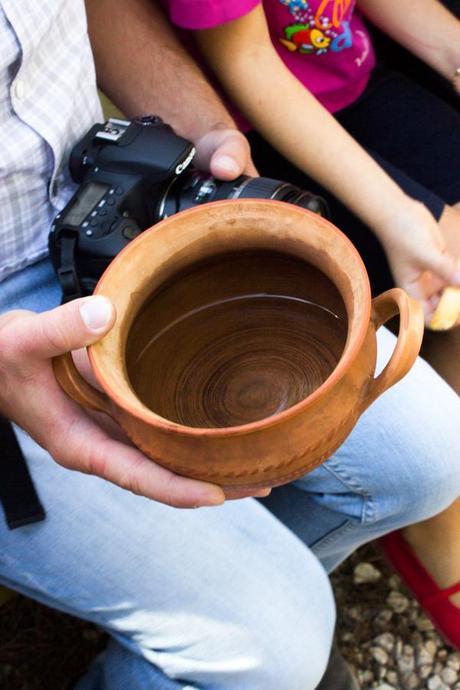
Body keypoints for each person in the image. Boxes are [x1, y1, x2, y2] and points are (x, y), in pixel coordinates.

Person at [0, 4, 459, 690]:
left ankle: (239, 590)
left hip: (111, 200)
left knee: (428, 455)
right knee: (275, 648)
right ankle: (237, 634)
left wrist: (208, 134)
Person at [160, 0, 460, 647]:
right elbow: (245, 61)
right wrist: (401, 214)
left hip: (357, 69)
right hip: (262, 129)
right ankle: (435, 522)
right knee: (438, 261)